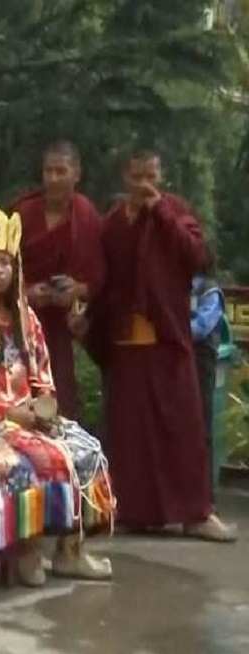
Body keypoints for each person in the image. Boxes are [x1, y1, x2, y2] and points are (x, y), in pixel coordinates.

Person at [0, 180, 115, 582]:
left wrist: (45, 408)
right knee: (37, 461)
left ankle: (70, 549)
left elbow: (42, 373)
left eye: (6, 263)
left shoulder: (27, 318)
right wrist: (9, 413)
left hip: (32, 416)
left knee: (87, 449)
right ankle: (25, 549)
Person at [87, 149, 235, 541]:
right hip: (127, 341)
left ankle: (196, 513)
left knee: (181, 429)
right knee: (131, 435)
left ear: (161, 177)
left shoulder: (176, 211)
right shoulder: (113, 224)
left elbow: (197, 256)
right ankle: (136, 511)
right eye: (137, 177)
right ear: (125, 177)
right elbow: (103, 278)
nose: (144, 185)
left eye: (151, 176)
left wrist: (162, 214)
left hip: (167, 339)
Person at [11, 140, 106, 419]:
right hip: (19, 324)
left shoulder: (87, 216)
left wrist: (77, 290)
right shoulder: (22, 213)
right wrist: (26, 293)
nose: (53, 178)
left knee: (60, 398)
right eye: (48, 171)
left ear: (77, 173)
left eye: (61, 171)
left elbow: (101, 278)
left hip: (59, 329)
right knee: (16, 393)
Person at [191, 272, 227, 506]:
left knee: (201, 426)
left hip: (201, 362)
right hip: (179, 360)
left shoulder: (209, 290)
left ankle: (205, 497)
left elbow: (200, 327)